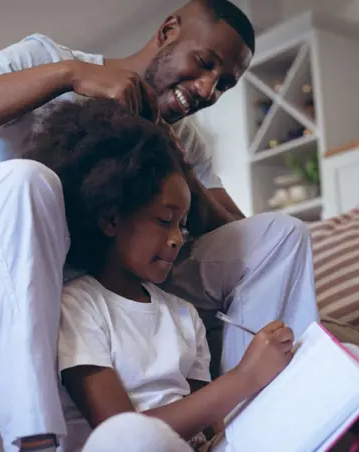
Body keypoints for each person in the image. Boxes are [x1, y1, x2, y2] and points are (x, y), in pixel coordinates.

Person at [0, 0, 319, 449]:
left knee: (283, 233)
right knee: (26, 179)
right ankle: (34, 440)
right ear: (169, 30)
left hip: (106, 289)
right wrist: (69, 74)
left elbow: (242, 238)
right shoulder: (44, 58)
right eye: (205, 63)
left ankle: (262, 432)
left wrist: (179, 164)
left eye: (224, 85)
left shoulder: (184, 137)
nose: (207, 89)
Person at [25, 99, 295, 451]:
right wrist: (245, 377)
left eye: (183, 226)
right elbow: (119, 430)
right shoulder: (78, 305)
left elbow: (207, 422)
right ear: (111, 218)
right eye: (164, 221)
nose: (177, 238)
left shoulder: (184, 315)